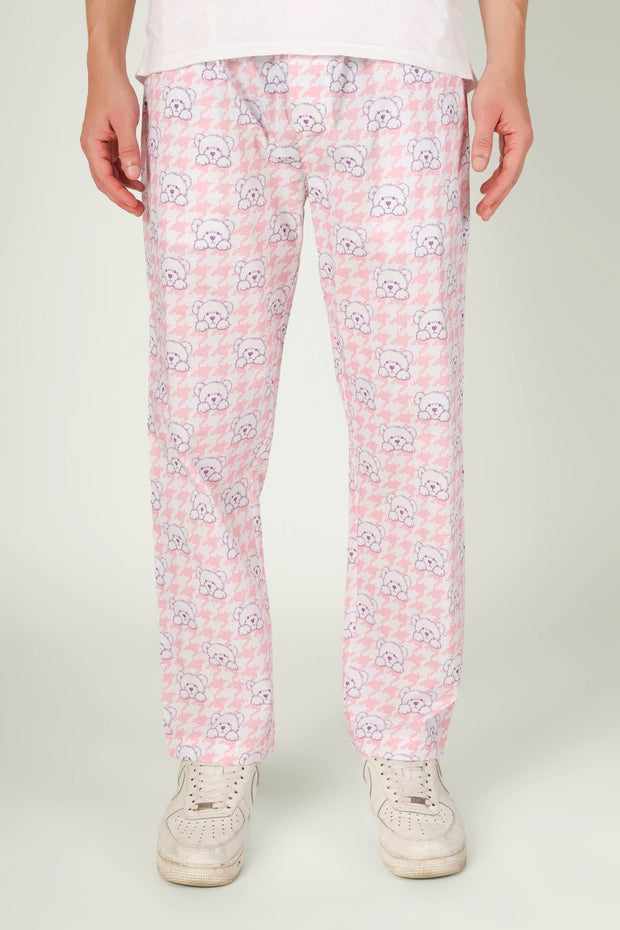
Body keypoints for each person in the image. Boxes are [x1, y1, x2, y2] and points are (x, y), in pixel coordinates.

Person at [81, 0, 533, 886]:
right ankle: (216, 739)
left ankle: (405, 739)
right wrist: (103, 53)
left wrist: (507, 54)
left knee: (412, 420)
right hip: (207, 58)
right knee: (201, 428)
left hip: (400, 56)